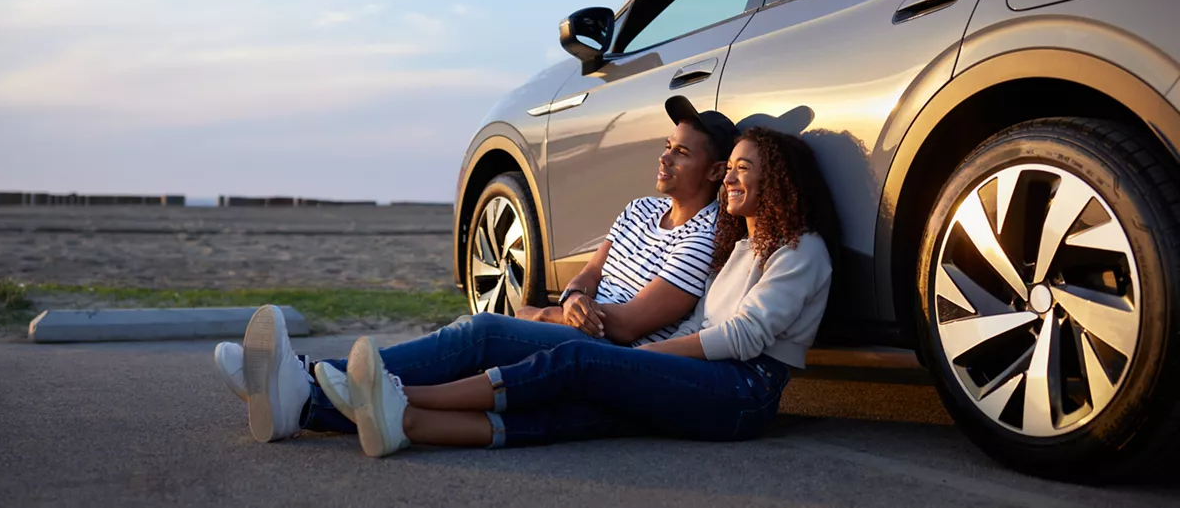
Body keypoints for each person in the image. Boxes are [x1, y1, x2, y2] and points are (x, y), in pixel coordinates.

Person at [223, 96, 740, 442]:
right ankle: (305, 394)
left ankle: (303, 379)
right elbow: (591, 273)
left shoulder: (705, 234)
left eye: (682, 154)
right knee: (473, 345)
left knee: (480, 333)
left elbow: (627, 325)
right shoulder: (639, 210)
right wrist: (574, 297)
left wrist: (544, 315)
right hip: (582, 330)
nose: (665, 159)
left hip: (616, 356)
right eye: (667, 147)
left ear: (715, 171)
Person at [328, 126, 841, 456]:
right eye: (728, 168)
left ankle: (398, 395)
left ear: (777, 181)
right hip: (709, 376)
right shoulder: (742, 248)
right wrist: (643, 361)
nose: (730, 178)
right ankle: (409, 423)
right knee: (581, 413)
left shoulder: (802, 251)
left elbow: (745, 338)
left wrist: (646, 357)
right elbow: (698, 324)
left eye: (742, 169)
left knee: (578, 363)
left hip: (744, 393)